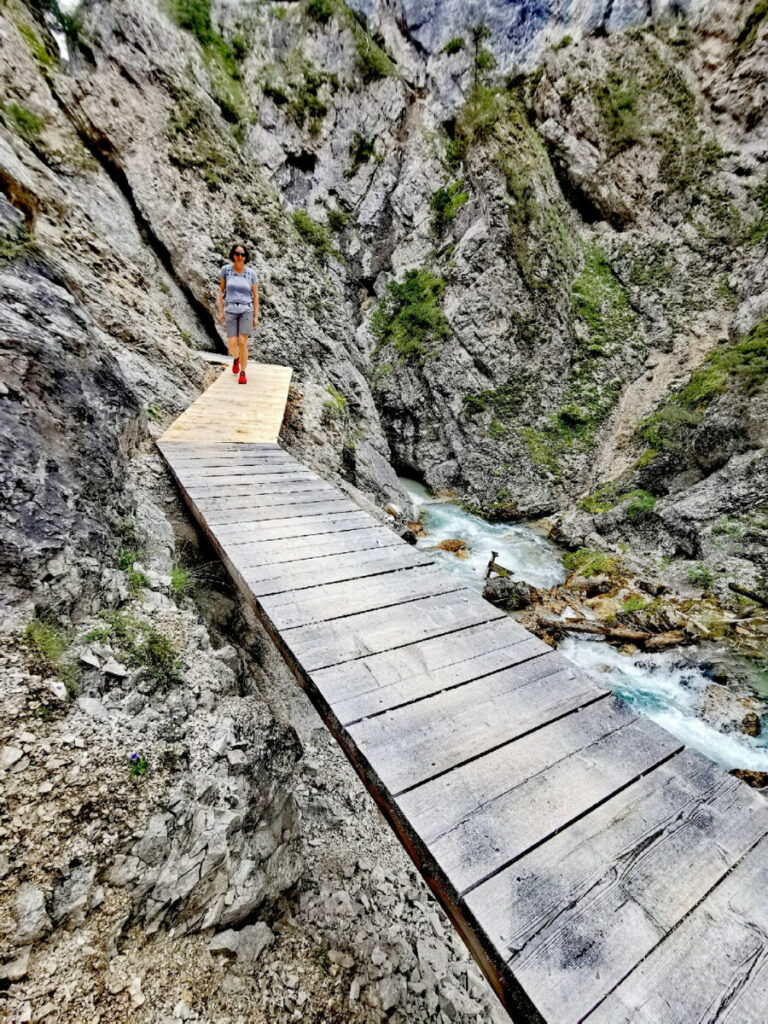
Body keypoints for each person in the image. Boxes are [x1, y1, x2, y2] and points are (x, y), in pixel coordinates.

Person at [217, 243, 259, 384]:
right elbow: (221, 292)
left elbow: (256, 296)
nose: (239, 257)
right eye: (237, 253)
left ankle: (243, 372)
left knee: (243, 342)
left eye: (242, 254)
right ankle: (236, 359)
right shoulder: (226, 271)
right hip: (230, 310)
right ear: (233, 254)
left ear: (246, 257)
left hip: (246, 310)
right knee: (232, 343)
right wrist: (220, 311)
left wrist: (256, 316)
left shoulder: (251, 274)